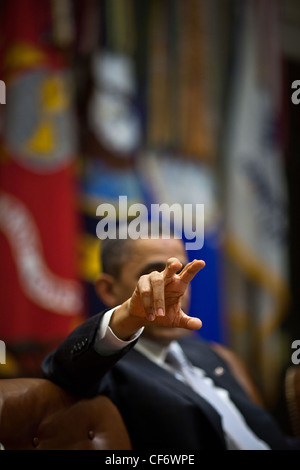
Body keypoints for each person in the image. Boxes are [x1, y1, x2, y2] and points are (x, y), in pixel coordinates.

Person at [42, 226, 300, 450]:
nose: (173, 288)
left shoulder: (207, 353)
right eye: (156, 276)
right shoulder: (104, 366)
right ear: (108, 289)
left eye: (180, 274)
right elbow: (64, 371)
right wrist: (127, 316)